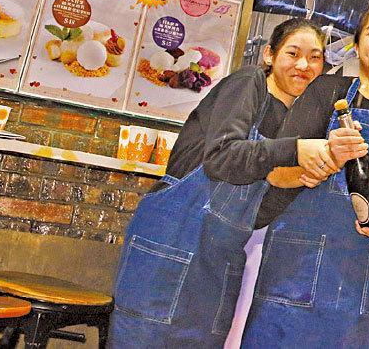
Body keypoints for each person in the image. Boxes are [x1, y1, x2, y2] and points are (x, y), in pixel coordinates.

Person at [110, 17, 333, 347]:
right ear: (270, 55)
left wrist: (299, 180)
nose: (304, 65)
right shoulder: (248, 83)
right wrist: (295, 149)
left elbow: (255, 214)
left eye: (315, 58)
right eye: (293, 53)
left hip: (218, 264)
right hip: (173, 239)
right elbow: (221, 156)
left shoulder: (292, 120)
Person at [243, 1, 369, 348]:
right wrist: (322, 159)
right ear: (358, 44)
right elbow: (276, 173)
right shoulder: (327, 91)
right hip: (299, 273)